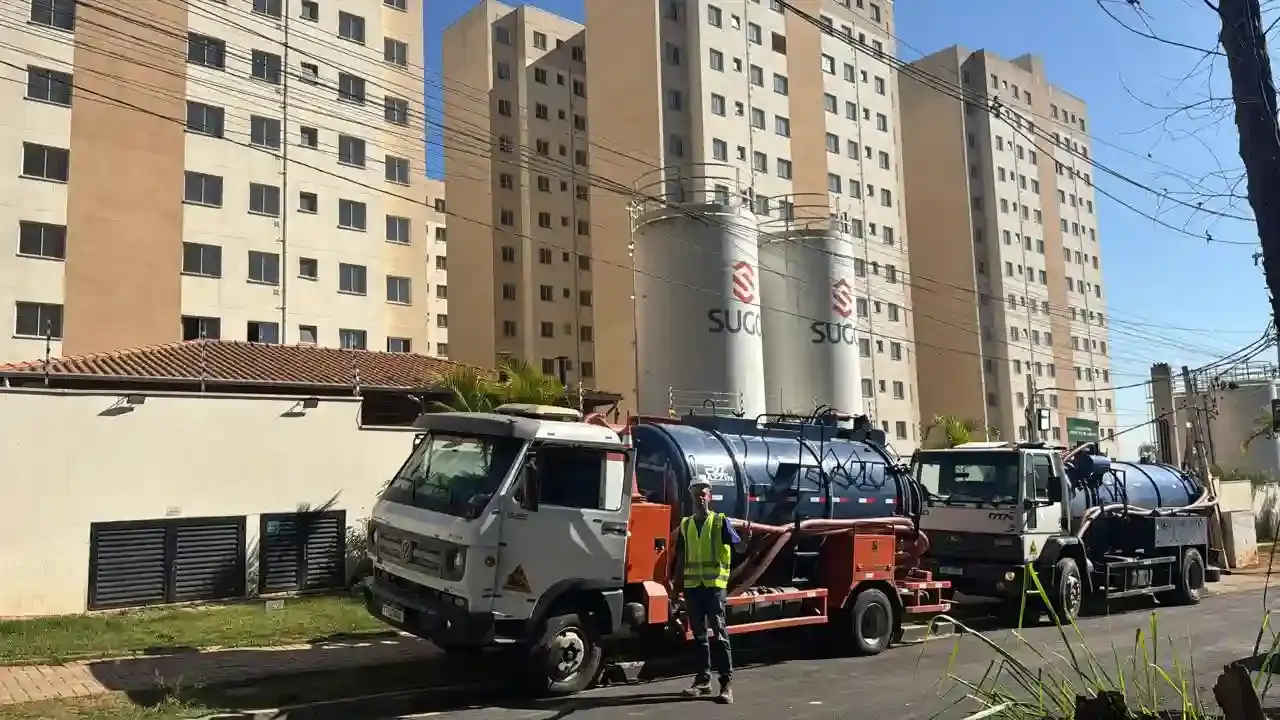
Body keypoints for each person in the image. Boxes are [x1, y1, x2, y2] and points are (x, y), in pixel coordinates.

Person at [675, 481, 740, 704]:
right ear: (691, 497)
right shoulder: (686, 525)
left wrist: (745, 537)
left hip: (714, 588)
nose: (700, 498)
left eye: (703, 494)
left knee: (720, 634)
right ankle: (703, 680)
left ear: (709, 497)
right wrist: (676, 587)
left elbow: (739, 546)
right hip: (694, 589)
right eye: (696, 494)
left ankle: (726, 684)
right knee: (700, 636)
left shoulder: (721, 521)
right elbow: (681, 558)